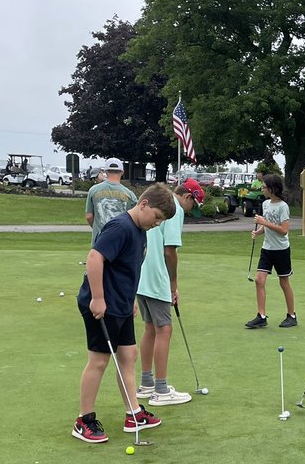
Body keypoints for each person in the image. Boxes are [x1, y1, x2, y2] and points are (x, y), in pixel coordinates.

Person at [72, 185, 176, 444]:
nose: (157, 223)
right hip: (102, 305)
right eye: (157, 217)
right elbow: (95, 257)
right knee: (99, 361)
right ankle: (83, 420)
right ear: (143, 204)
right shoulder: (121, 227)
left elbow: (129, 270)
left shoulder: (141, 230)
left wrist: (129, 302)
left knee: (128, 356)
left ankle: (133, 413)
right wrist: (97, 297)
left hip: (121, 305)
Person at [135, 178, 206, 407]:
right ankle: (161, 390)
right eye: (193, 204)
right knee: (164, 330)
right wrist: (173, 284)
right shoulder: (174, 210)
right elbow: (170, 251)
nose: (192, 209)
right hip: (157, 276)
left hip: (141, 275)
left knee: (150, 329)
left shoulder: (161, 203)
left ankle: (146, 383)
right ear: (187, 197)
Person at [245, 173, 297, 329]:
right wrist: (258, 231)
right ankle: (261, 316)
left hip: (281, 250)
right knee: (259, 280)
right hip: (267, 249)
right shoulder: (266, 204)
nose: (262, 188)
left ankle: (292, 315)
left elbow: (284, 230)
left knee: (284, 282)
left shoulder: (283, 206)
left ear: (272, 189)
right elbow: (266, 226)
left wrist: (264, 223)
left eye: (264, 186)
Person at [85, 158, 138, 244]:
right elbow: (135, 220)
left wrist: (96, 228)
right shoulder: (130, 195)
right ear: (122, 172)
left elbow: (89, 216)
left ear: (105, 172)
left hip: (99, 240)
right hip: (121, 241)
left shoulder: (93, 190)